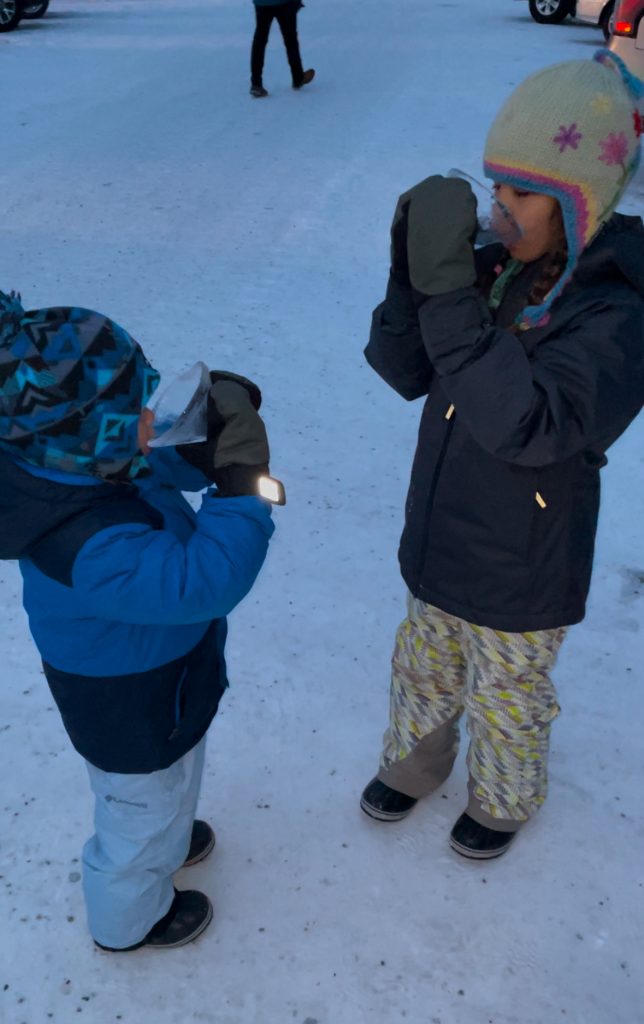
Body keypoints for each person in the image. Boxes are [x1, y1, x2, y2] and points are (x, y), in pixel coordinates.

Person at [360, 51, 644, 860]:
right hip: (444, 531)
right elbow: (403, 368)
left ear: (577, 205)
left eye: (522, 194)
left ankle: (505, 799)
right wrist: (412, 271)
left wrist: (449, 296)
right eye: (497, 188)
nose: (500, 209)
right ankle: (415, 768)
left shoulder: (617, 317)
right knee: (423, 669)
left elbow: (531, 424)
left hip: (527, 558)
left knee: (509, 696)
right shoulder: (496, 273)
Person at [0, 295, 276, 949]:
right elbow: (201, 582)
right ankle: (128, 919)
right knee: (137, 814)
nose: (154, 412)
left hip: (164, 679)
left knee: (169, 787)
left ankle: (169, 837)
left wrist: (206, 436)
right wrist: (242, 485)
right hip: (126, 704)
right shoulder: (83, 541)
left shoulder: (75, 461)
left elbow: (150, 458)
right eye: (141, 405)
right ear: (92, 434)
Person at [250, 0, 314, 98]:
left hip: (262, 3)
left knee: (260, 40)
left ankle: (256, 83)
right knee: (290, 39)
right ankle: (298, 78)